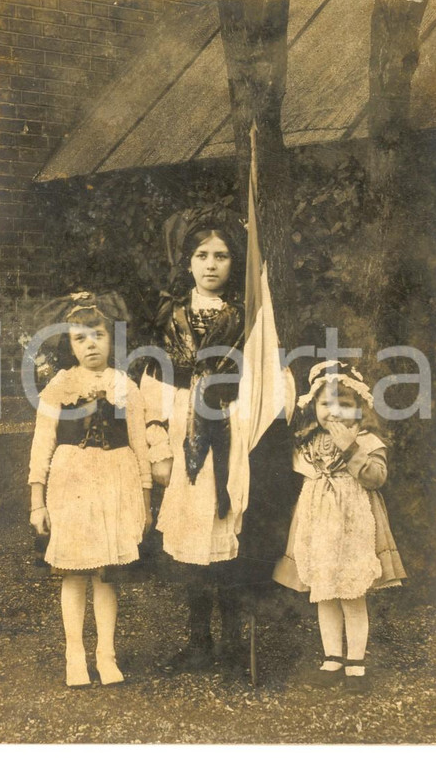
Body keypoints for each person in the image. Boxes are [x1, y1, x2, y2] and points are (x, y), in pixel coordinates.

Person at [140, 205, 250, 673]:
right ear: (188, 262)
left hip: (231, 430)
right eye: (202, 255)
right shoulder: (172, 315)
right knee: (191, 540)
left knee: (227, 534)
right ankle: (197, 639)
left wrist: (245, 418)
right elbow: (155, 387)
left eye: (221, 255)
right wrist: (158, 446)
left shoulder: (248, 318)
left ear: (233, 262)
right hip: (186, 431)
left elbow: (265, 380)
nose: (211, 264)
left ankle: (232, 642)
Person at [28, 291, 152, 688]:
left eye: (98, 334)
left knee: (106, 575)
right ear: (70, 344)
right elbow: (41, 446)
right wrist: (37, 501)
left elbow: (140, 446)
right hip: (72, 483)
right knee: (74, 574)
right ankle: (74, 655)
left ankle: (107, 654)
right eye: (81, 338)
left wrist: (145, 501)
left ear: (111, 338)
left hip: (116, 482)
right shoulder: (58, 386)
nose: (91, 344)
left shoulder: (124, 386)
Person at [273, 360, 407, 692]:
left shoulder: (368, 441)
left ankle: (356, 663)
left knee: (351, 592)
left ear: (360, 409)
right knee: (325, 593)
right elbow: (303, 476)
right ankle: (332, 658)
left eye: (343, 405)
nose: (333, 413)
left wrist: (350, 447)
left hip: (354, 523)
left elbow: (375, 479)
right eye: (325, 404)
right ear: (313, 407)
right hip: (319, 523)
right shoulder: (309, 441)